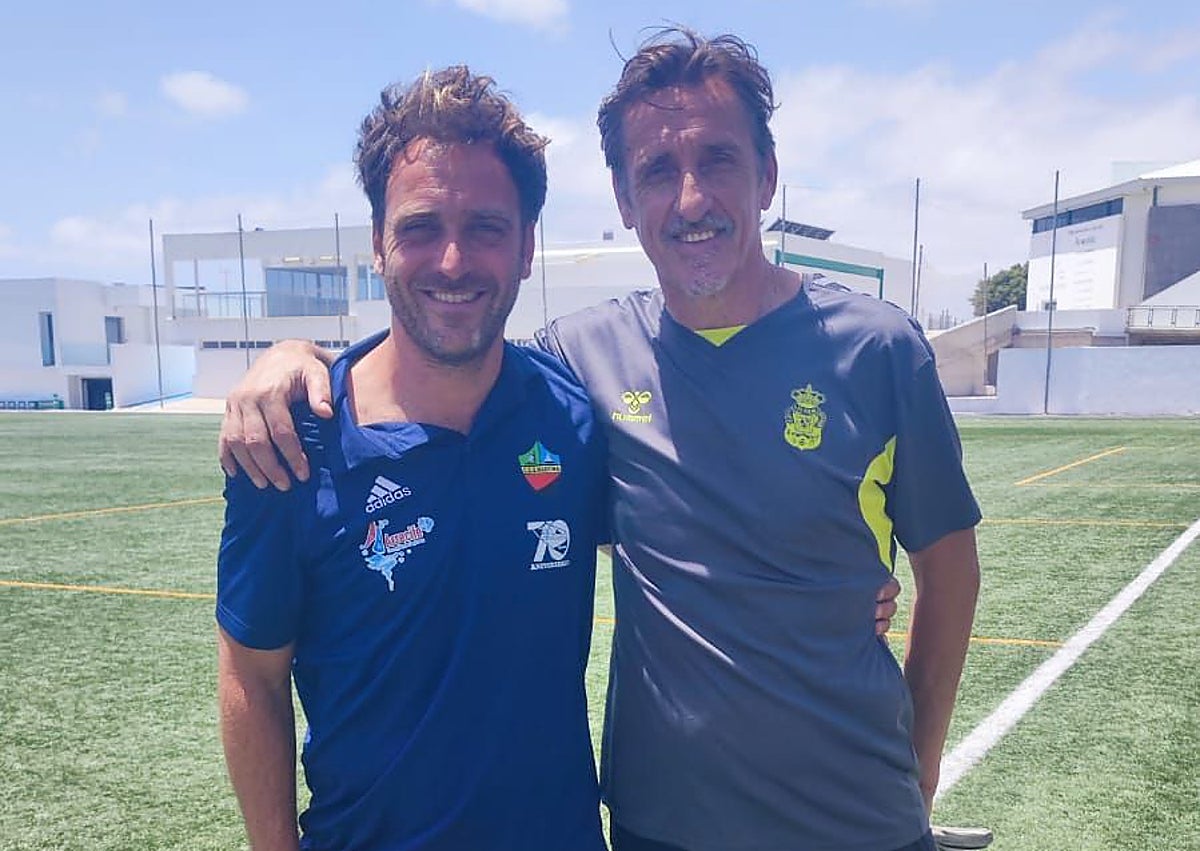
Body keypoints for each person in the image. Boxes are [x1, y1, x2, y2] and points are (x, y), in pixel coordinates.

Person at [219, 30, 980, 851]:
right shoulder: (553, 376)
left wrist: (915, 757)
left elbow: (944, 568)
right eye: (657, 169)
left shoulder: (867, 353)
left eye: (718, 160)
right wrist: (295, 356)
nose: (691, 199)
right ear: (623, 198)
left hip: (834, 822)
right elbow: (250, 676)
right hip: (660, 828)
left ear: (766, 176)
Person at [215, 67, 612, 851]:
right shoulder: (291, 440)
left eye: (488, 227)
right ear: (377, 242)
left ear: (528, 246)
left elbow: (694, 536)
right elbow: (252, 679)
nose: (454, 260)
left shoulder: (575, 413)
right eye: (422, 226)